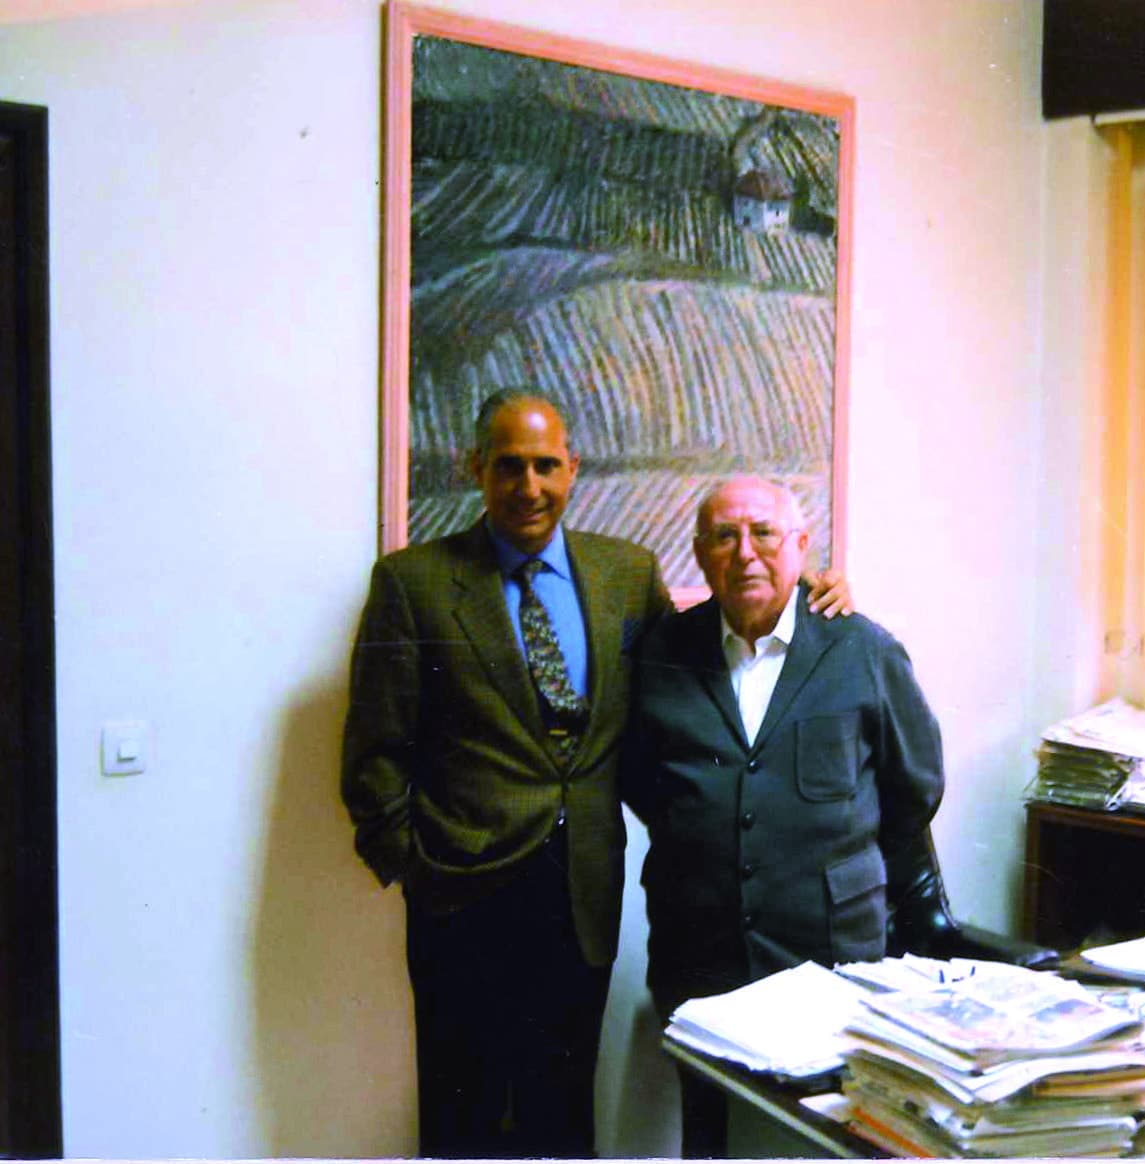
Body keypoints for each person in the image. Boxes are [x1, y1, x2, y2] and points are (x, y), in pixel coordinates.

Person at [340, 392, 848, 1158]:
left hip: (581, 897)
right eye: (509, 466)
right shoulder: (413, 585)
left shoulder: (624, 574)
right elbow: (373, 753)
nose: (529, 485)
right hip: (460, 902)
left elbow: (705, 651)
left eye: (547, 465)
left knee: (565, 1113)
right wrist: (416, 869)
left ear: (573, 468)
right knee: (462, 1117)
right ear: (476, 468)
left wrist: (808, 594)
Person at [622, 476, 945, 1157]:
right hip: (697, 954)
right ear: (700, 555)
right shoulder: (661, 655)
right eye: (724, 537)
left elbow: (914, 789)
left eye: (764, 533)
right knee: (707, 1137)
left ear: (800, 546)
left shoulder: (861, 650)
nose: (745, 553)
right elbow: (644, 783)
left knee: (832, 1140)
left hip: (830, 956)